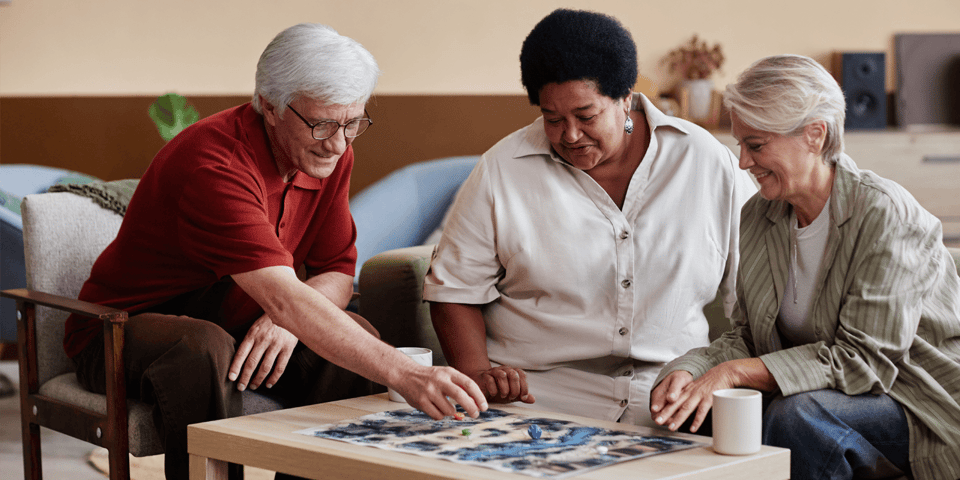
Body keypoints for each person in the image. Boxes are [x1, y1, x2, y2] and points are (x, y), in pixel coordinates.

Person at [65, 23, 487, 480]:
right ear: (269, 104)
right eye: (321, 124)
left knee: (353, 334)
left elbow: (337, 272)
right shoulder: (215, 163)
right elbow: (286, 297)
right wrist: (406, 374)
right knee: (201, 347)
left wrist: (286, 324)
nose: (338, 142)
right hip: (120, 333)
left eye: (352, 122)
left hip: (239, 319)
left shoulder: (330, 152)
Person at [423, 8, 755, 427]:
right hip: (537, 399)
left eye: (586, 116)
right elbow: (454, 290)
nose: (570, 136)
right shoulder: (502, 170)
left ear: (625, 98)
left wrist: (726, 372)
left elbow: (755, 292)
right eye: (552, 119)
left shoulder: (706, 163)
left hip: (674, 392)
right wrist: (478, 375)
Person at [649, 54, 960, 480]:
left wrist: (734, 372)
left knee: (797, 415)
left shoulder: (886, 214)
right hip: (825, 393)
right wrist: (691, 370)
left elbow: (863, 361)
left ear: (815, 135)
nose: (742, 162)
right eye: (740, 144)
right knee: (691, 410)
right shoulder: (760, 214)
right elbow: (749, 336)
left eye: (756, 145)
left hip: (912, 401)